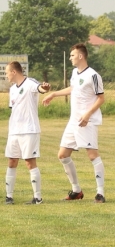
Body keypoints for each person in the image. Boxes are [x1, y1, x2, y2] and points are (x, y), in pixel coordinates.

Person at [42, 43, 106, 203]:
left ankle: (100, 193)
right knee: (63, 155)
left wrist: (87, 115)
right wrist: (54, 94)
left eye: (72, 55)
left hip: (87, 122)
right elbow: (73, 88)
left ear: (81, 56)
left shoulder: (93, 75)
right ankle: (77, 190)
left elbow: (101, 98)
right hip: (73, 122)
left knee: (92, 155)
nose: (70, 57)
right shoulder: (74, 73)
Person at [5, 61, 51, 205]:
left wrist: (45, 88)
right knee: (12, 161)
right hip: (14, 131)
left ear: (14, 72)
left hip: (29, 130)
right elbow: (14, 108)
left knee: (29, 162)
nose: (6, 76)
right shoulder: (12, 89)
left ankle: (37, 198)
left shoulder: (30, 83)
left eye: (7, 73)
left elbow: (41, 89)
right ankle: (9, 196)